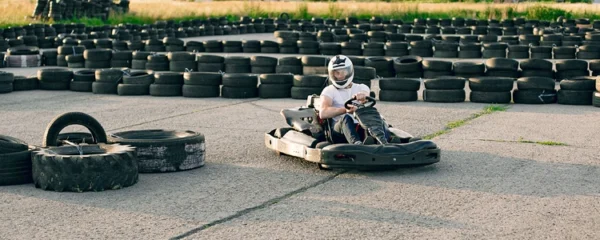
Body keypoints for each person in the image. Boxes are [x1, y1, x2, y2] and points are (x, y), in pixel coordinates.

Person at [318, 55, 370, 145]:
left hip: (360, 126)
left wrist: (362, 96)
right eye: (337, 73)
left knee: (376, 116)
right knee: (346, 118)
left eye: (343, 72)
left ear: (349, 71)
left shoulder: (361, 87)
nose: (340, 76)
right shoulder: (329, 90)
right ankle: (356, 144)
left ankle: (385, 140)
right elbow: (323, 113)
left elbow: (366, 94)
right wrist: (345, 110)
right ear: (332, 74)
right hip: (339, 131)